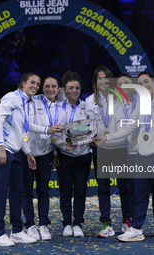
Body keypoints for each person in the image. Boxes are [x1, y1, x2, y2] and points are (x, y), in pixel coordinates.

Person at [93, 71, 154, 242]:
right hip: (141, 155)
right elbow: (129, 128)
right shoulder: (141, 105)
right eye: (140, 83)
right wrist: (106, 137)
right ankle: (136, 228)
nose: (144, 86)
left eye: (146, 82)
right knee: (139, 194)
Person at [0, 73, 58, 246]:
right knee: (1, 192)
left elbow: (25, 128)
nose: (35, 86)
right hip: (1, 149)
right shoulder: (11, 97)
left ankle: (17, 230)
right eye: (32, 83)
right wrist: (1, 147)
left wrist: (29, 151)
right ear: (23, 83)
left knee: (17, 193)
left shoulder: (30, 103)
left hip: (18, 151)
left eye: (37, 84)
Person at [117, 72, 154, 239]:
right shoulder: (115, 104)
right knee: (136, 191)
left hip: (153, 151)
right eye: (121, 84)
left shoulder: (149, 99)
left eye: (127, 83)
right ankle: (135, 225)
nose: (125, 86)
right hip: (132, 153)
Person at [85, 66, 130, 237]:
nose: (103, 81)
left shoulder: (120, 98)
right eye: (99, 78)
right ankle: (106, 224)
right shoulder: (90, 101)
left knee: (124, 186)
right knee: (103, 188)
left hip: (120, 147)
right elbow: (88, 125)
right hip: (100, 149)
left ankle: (127, 221)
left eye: (105, 78)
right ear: (95, 81)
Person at [22, 75, 64, 241]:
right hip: (28, 153)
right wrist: (26, 151)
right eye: (47, 86)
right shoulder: (33, 101)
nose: (50, 89)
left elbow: (56, 133)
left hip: (45, 154)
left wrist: (54, 153)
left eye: (54, 86)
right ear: (42, 88)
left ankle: (43, 225)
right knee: (26, 190)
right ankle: (30, 225)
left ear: (58, 88)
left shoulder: (59, 107)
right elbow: (26, 125)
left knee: (43, 190)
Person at [53, 71, 92, 238]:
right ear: (65, 90)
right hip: (65, 156)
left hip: (83, 155)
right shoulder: (58, 108)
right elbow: (53, 133)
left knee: (81, 191)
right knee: (66, 191)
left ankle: (78, 224)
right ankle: (67, 223)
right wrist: (60, 148)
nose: (74, 91)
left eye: (77, 88)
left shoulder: (86, 107)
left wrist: (91, 137)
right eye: (71, 88)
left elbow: (93, 128)